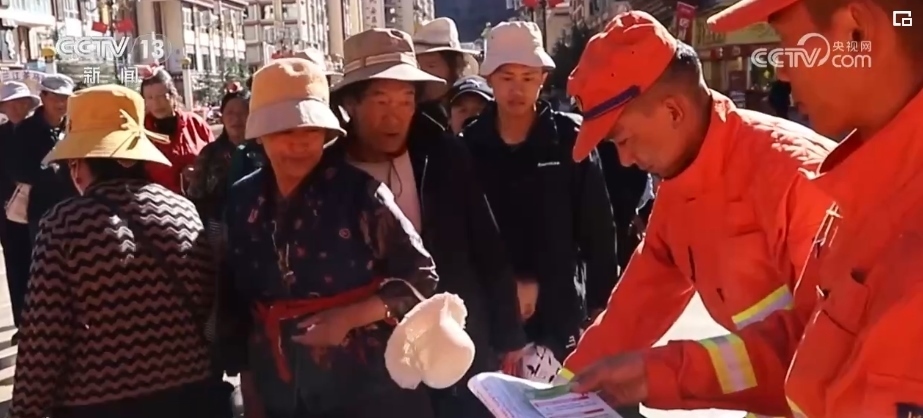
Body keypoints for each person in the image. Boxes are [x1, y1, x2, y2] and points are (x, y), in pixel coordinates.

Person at [571, 4, 922, 416]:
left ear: (856, 33)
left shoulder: (798, 177)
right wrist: (564, 391)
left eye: (789, 45)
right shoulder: (681, 192)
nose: (781, 72)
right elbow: (804, 347)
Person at [222, 57, 439, 418]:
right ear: (260, 135)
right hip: (277, 382)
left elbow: (421, 275)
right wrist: (248, 376)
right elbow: (235, 293)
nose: (299, 145)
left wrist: (349, 318)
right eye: (284, 133)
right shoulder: (243, 198)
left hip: (368, 385)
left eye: (310, 132)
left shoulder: (361, 194)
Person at [330, 28, 525, 418]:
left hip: (452, 342)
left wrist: (509, 333)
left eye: (406, 101)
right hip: (367, 363)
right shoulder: (329, 172)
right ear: (351, 103)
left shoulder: (444, 153)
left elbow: (486, 243)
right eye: (381, 101)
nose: (395, 115)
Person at [9, 84, 223, 418]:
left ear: (78, 165)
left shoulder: (64, 223)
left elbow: (44, 335)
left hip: (99, 402)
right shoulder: (183, 210)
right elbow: (208, 301)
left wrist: (25, 410)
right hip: (190, 393)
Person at [461, 21, 618, 371]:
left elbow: (598, 231)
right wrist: (507, 289)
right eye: (507, 77)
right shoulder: (468, 146)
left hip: (561, 312)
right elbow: (462, 239)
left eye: (528, 77)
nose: (517, 89)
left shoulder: (570, 140)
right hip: (489, 316)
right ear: (489, 79)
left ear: (543, 79)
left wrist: (601, 307)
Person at [0, 81, 40, 342]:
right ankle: (22, 324)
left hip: (39, 209)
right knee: (16, 266)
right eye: (10, 103)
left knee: (41, 265)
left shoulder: (39, 131)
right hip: (7, 212)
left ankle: (42, 321)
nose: (16, 108)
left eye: (21, 102)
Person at [140, 68, 214, 194]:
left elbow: (216, 161)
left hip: (199, 200)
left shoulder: (196, 124)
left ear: (173, 95)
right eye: (150, 97)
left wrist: (199, 172)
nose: (156, 103)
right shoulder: (140, 131)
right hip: (156, 201)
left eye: (161, 96)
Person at [187, 89, 251, 223]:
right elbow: (195, 197)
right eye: (230, 113)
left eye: (242, 112)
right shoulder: (209, 153)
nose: (236, 119)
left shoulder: (264, 152)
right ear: (222, 117)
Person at [412, 17, 480, 131]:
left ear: (455, 65)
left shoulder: (475, 104)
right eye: (418, 66)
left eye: (431, 65)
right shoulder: (409, 113)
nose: (422, 73)